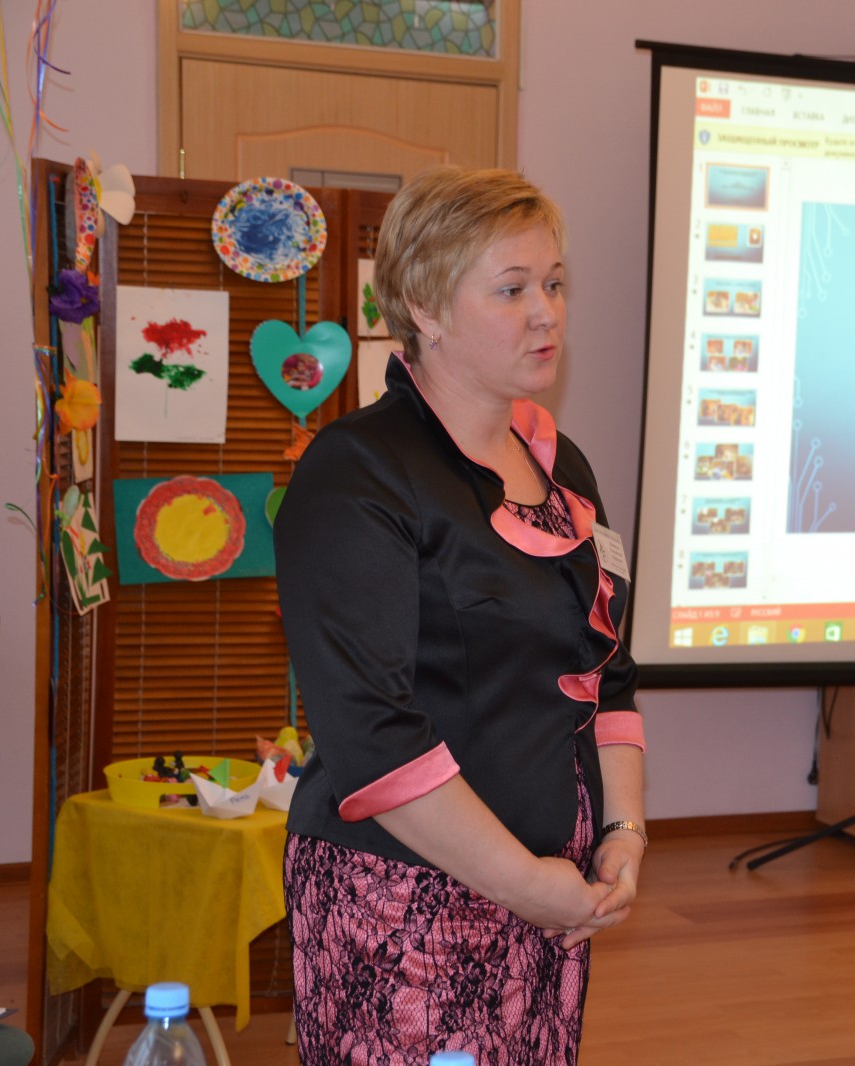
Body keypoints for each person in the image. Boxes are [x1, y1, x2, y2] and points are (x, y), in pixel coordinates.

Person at [274, 166, 646, 1065]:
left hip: (554, 896)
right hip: (401, 904)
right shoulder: (358, 472)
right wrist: (524, 883)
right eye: (512, 290)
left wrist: (624, 832)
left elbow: (609, 678)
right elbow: (371, 732)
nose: (547, 313)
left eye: (554, 283)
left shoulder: (565, 469)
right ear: (424, 307)